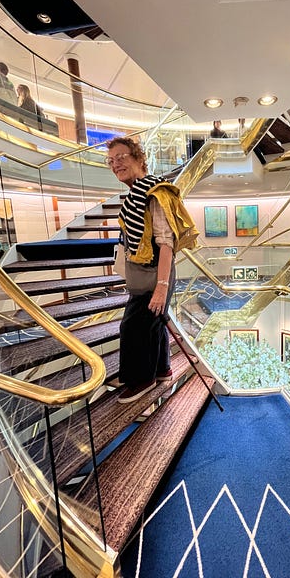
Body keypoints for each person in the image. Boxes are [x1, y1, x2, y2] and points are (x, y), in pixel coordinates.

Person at [106, 136, 199, 403]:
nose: (116, 165)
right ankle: (161, 370)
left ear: (138, 158)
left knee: (132, 327)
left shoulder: (154, 193)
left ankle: (141, 380)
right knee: (154, 324)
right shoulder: (137, 193)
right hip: (152, 273)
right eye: (111, 161)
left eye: (121, 157)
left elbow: (166, 243)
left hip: (155, 274)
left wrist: (161, 287)